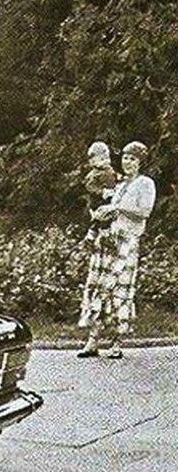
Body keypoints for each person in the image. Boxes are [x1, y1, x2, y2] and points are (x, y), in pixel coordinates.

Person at [78, 141, 156, 359]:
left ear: (140, 162)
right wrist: (100, 214)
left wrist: (117, 208)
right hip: (107, 240)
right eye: (125, 158)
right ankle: (92, 340)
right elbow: (104, 203)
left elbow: (145, 212)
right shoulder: (119, 184)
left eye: (132, 159)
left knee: (119, 290)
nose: (127, 162)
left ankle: (116, 342)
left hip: (127, 242)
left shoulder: (145, 183)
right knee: (98, 287)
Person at [82, 141, 119, 247]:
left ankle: (102, 236)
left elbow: (114, 179)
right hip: (98, 201)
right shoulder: (93, 174)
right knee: (100, 218)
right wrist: (101, 192)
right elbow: (89, 186)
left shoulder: (109, 170)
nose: (104, 161)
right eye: (101, 159)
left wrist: (118, 183)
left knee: (107, 217)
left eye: (106, 158)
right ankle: (96, 236)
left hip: (110, 198)